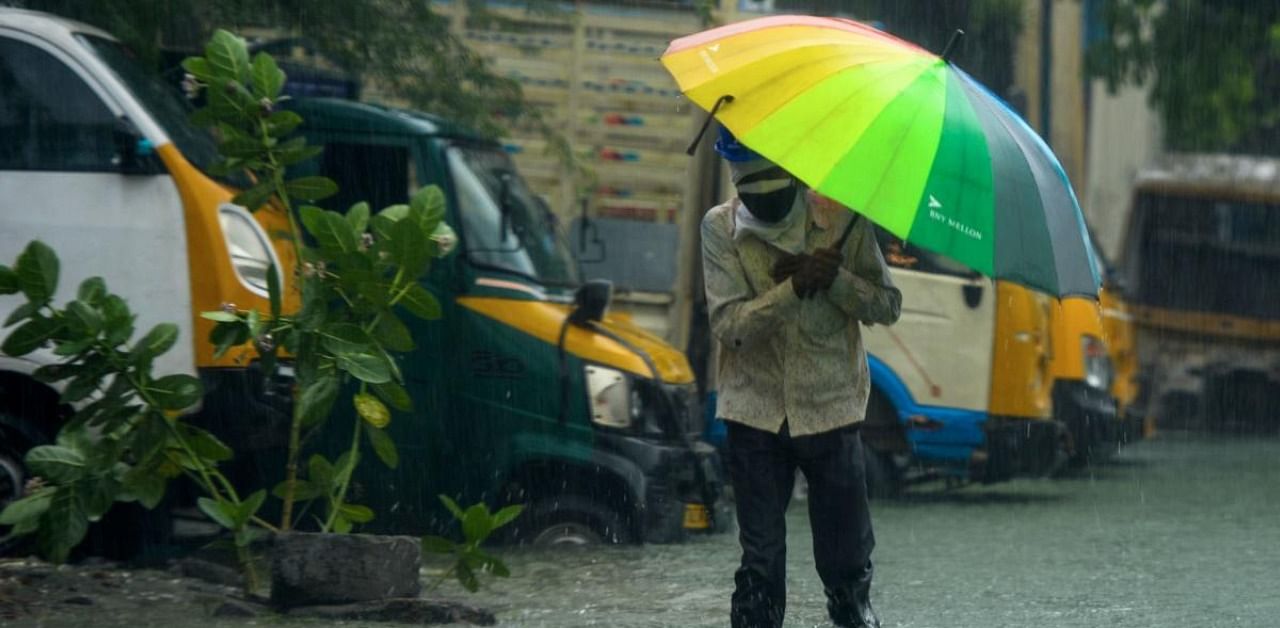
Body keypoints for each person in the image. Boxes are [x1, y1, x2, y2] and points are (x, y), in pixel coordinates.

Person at [700, 127, 902, 628]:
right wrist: (792, 288)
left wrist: (833, 280)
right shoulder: (719, 229)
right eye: (751, 192)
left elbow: (887, 304)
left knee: (847, 566)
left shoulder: (838, 218)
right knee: (760, 567)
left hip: (831, 411)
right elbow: (730, 327)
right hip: (754, 414)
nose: (764, 201)